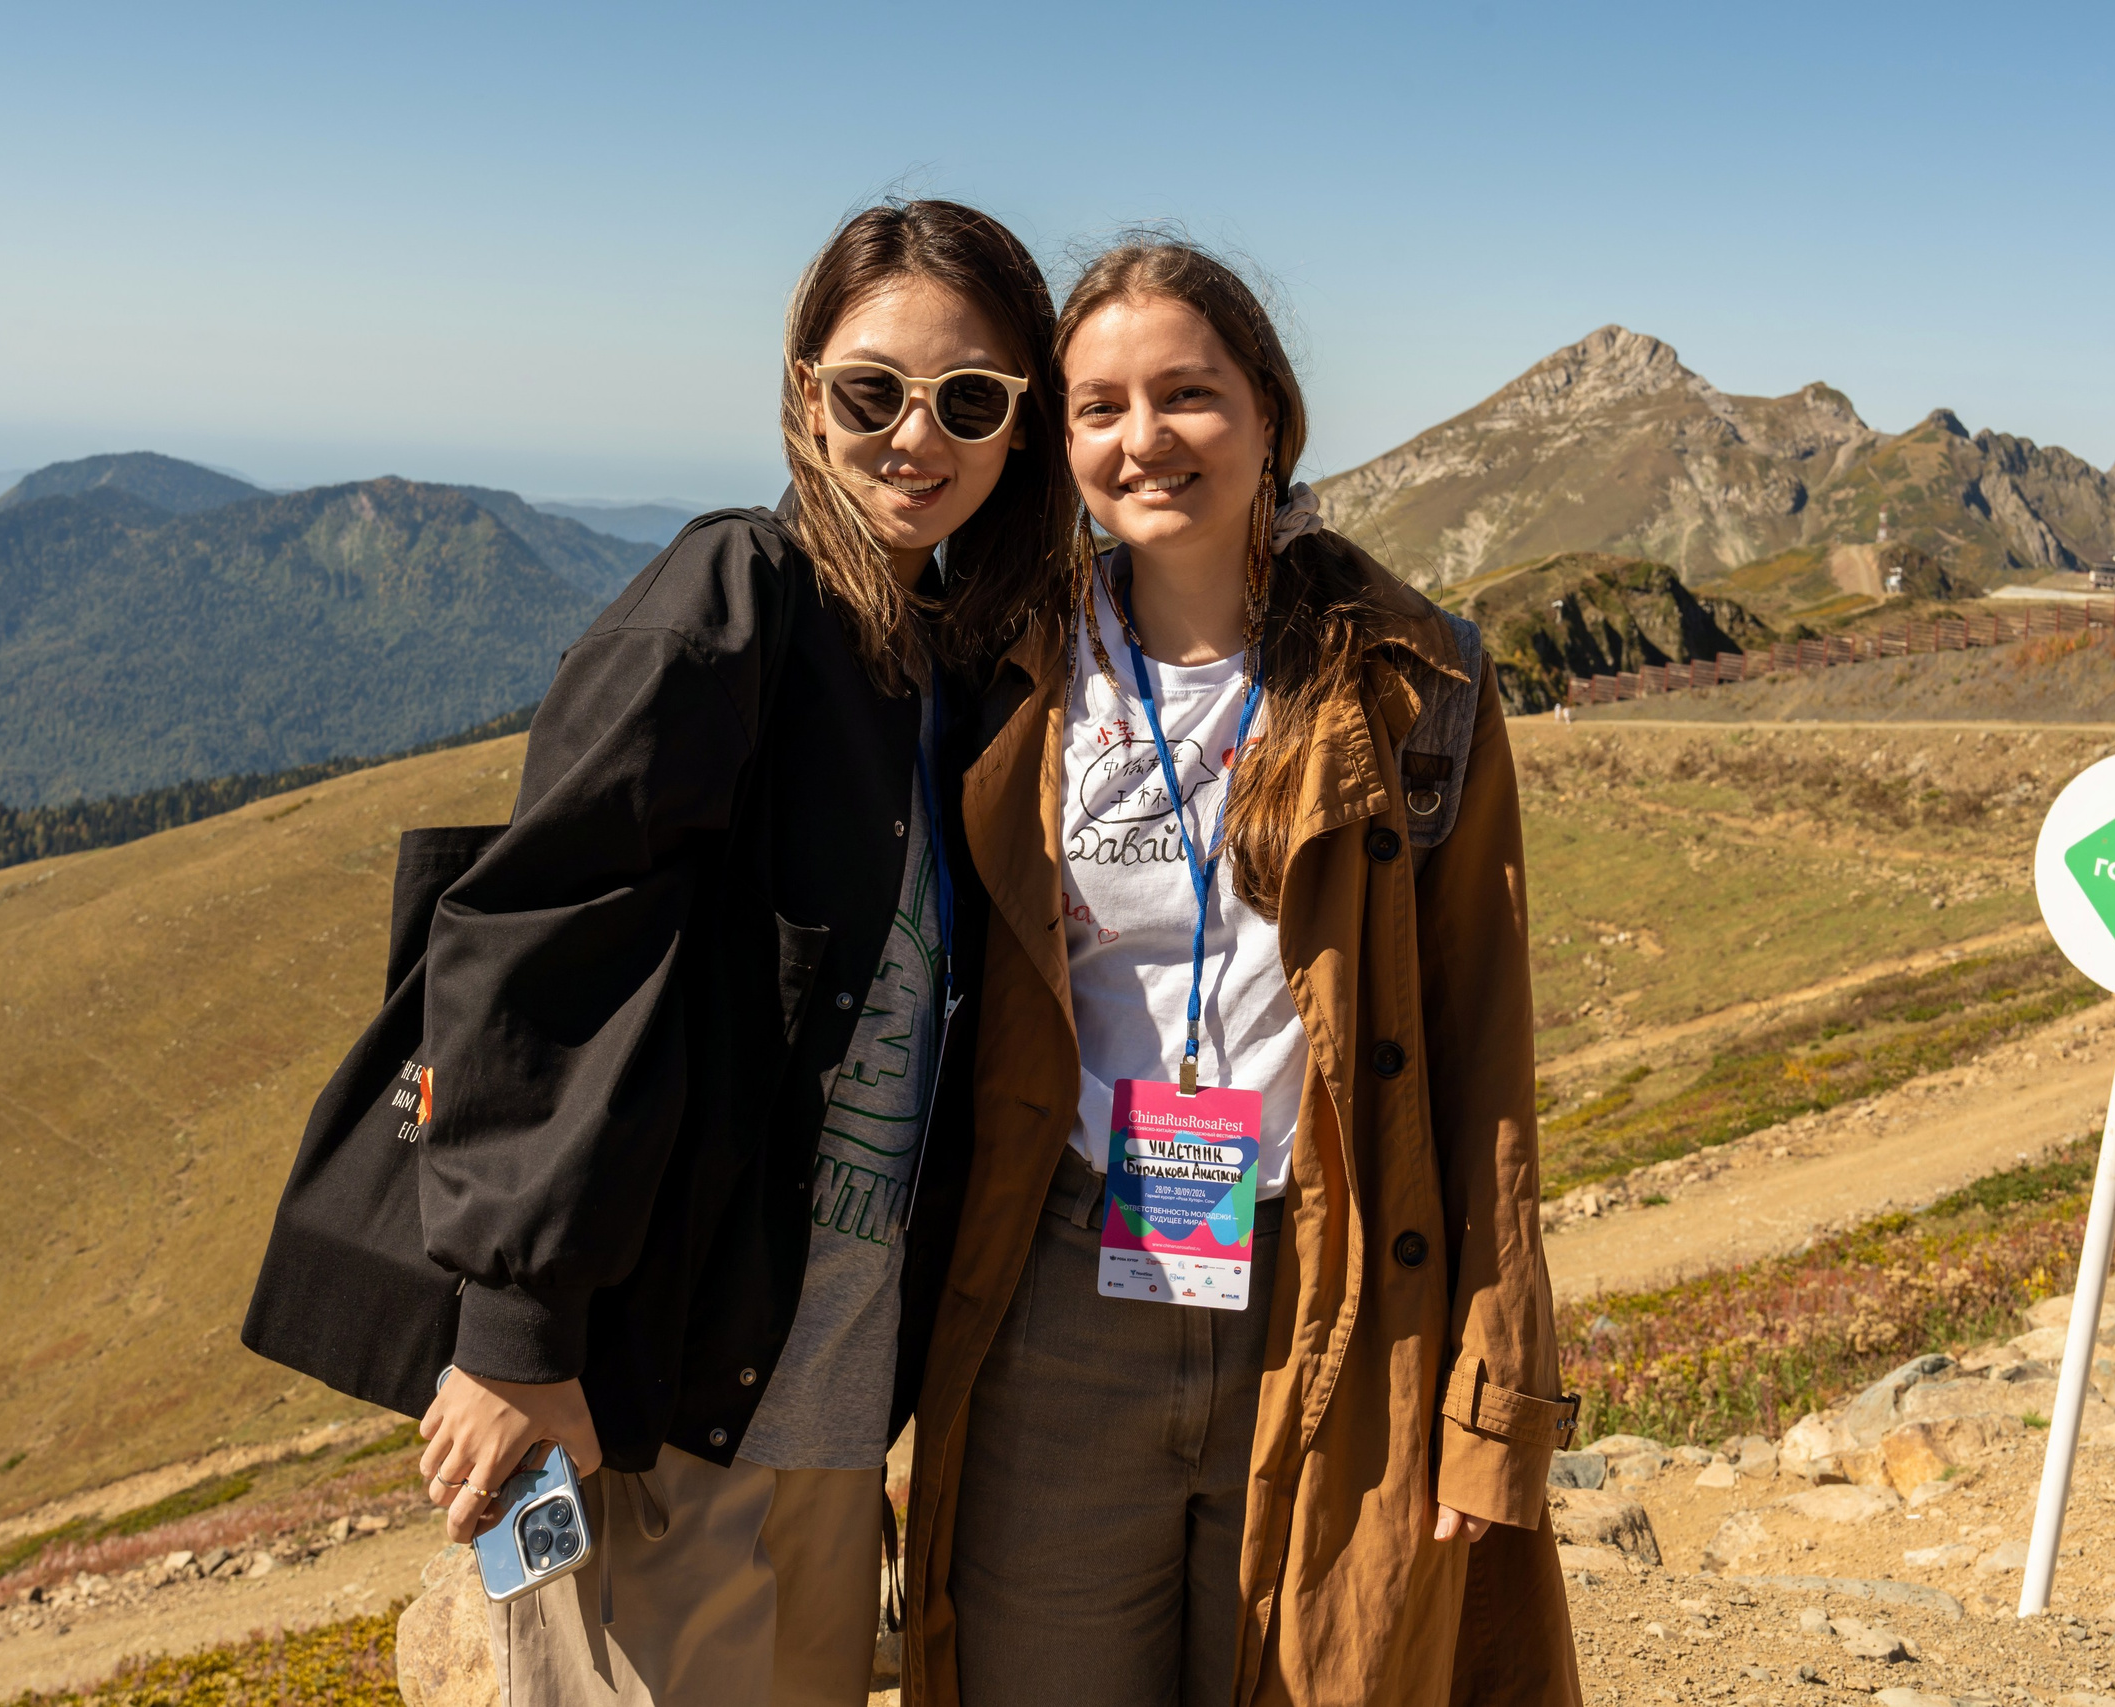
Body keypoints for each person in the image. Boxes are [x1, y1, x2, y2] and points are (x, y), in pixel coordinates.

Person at [899, 238, 1581, 1705]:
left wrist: (1493, 1398)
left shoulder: (1418, 684)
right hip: (1064, 1281)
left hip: (1328, 1287)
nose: (1143, 439)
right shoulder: (1002, 665)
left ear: (1270, 413)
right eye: (1098, 407)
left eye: (1187, 394)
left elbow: (1486, 1060)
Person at [408, 199, 1070, 1707]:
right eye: (871, 391)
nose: (918, 435)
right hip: (654, 1398)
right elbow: (541, 936)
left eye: (970, 400)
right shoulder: (738, 600)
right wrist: (515, 1329)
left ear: (1020, 428)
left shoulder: (945, 665)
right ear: (801, 392)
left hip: (827, 1404)